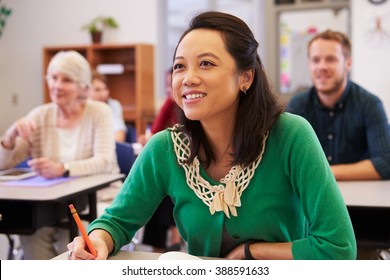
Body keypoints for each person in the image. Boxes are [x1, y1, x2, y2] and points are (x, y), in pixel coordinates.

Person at [67, 11, 356, 260]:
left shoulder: (291, 135)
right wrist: (97, 241)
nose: (188, 78)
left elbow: (338, 247)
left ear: (246, 77)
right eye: (180, 66)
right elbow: (116, 222)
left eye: (206, 63)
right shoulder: (164, 149)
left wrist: (251, 252)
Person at [0, 51, 119, 259]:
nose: (57, 85)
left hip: (95, 199)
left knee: (74, 236)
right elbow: (4, 164)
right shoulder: (39, 115)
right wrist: (9, 137)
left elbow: (105, 161)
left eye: (67, 80)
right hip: (50, 204)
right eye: (53, 78)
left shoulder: (99, 112)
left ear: (82, 86)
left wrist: (63, 169)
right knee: (31, 232)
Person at [285, 30, 390, 181]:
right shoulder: (298, 106)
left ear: (348, 64)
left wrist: (324, 172)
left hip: (363, 199)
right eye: (316, 60)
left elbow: (385, 163)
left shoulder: (370, 105)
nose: (322, 66)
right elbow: (284, 161)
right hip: (311, 198)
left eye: (331, 59)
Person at [137, 68, 182, 253]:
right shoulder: (170, 104)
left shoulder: (193, 107)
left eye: (171, 85)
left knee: (164, 183)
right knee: (159, 186)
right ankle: (171, 234)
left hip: (187, 166)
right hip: (173, 164)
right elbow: (154, 131)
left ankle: (163, 242)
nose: (169, 90)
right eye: (167, 86)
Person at [90, 71, 127, 142]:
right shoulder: (83, 108)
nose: (104, 94)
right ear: (87, 91)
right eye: (97, 90)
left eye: (105, 89)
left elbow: (119, 135)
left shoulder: (113, 105)